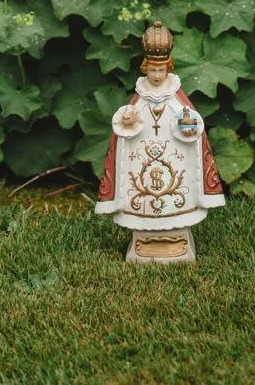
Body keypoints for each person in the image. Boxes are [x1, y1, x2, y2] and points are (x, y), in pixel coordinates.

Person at [95, 20, 225, 262]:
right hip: (143, 157)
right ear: (145, 69)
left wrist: (187, 128)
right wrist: (129, 118)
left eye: (161, 70)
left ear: (168, 69)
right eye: (152, 71)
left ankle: (177, 232)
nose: (156, 76)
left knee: (176, 190)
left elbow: (191, 123)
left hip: (173, 157)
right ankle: (144, 235)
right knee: (142, 190)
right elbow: (127, 127)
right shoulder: (140, 97)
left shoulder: (176, 97)